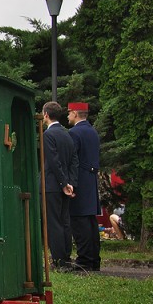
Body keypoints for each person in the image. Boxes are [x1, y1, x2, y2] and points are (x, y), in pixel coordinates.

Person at [41, 101, 78, 270]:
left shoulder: (48, 135)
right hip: (66, 185)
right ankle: (66, 256)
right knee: (65, 222)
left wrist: (63, 183)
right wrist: (70, 183)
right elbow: (73, 161)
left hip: (52, 185)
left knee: (54, 223)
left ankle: (58, 259)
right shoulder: (67, 134)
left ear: (46, 115)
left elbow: (54, 162)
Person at [68, 102, 101, 271]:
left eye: (69, 113)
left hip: (79, 181)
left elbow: (72, 159)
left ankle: (84, 261)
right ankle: (94, 259)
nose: (67, 116)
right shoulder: (92, 131)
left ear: (75, 113)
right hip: (90, 180)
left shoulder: (74, 133)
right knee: (90, 222)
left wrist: (70, 183)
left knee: (79, 222)